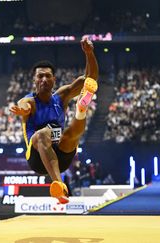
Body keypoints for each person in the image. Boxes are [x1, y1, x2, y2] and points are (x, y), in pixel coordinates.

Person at [10, 36, 98, 204]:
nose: (44, 79)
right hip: (37, 159)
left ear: (54, 80)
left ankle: (81, 109)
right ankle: (58, 184)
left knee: (72, 133)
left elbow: (90, 79)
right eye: (40, 76)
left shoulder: (62, 96)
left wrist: (89, 53)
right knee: (43, 134)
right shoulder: (29, 101)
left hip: (62, 156)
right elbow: (25, 106)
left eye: (48, 76)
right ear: (34, 80)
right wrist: (23, 111)